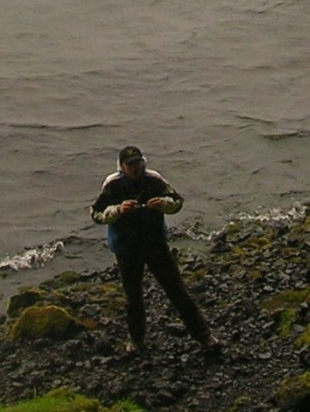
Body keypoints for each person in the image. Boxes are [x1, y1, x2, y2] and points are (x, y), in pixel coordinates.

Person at [91, 146, 219, 356]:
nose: (135, 168)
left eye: (138, 163)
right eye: (130, 165)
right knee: (133, 298)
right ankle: (136, 341)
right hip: (126, 248)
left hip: (154, 244)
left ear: (143, 162)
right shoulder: (112, 184)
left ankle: (205, 337)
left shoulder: (154, 180)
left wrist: (163, 204)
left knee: (177, 291)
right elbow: (95, 213)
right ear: (122, 167)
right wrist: (117, 211)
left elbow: (177, 202)